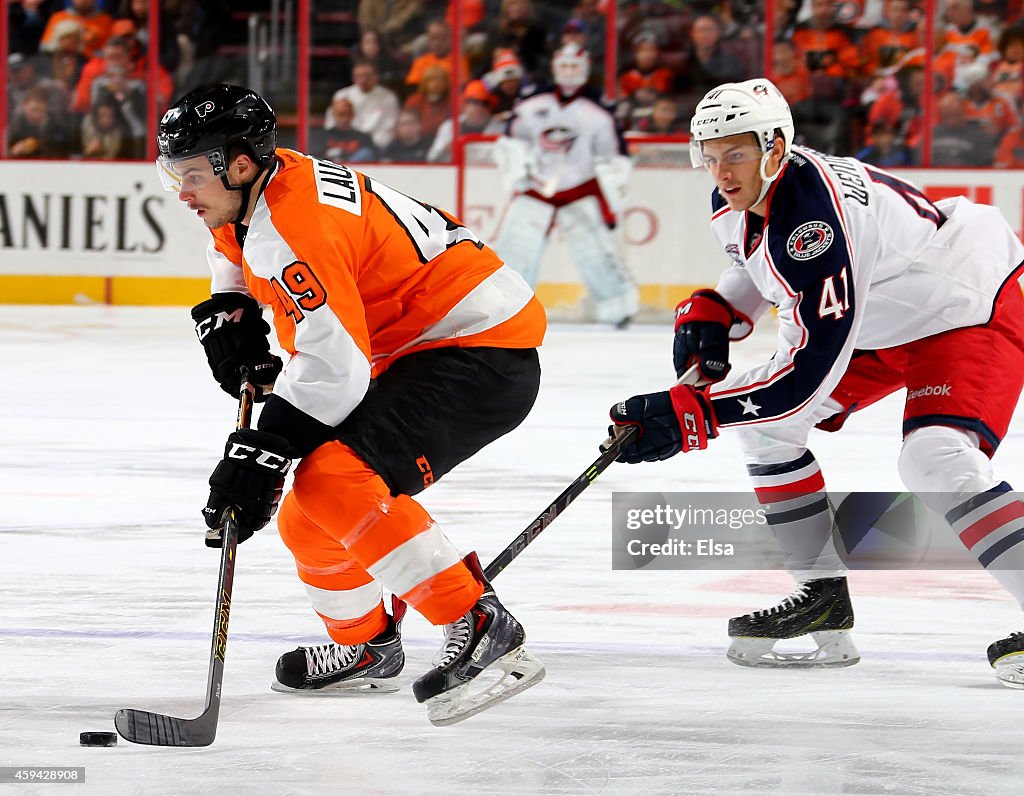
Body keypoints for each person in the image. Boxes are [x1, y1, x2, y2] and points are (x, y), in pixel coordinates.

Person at [607, 78, 1024, 688]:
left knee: (936, 460)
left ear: (776, 148)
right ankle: (821, 598)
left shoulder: (815, 224)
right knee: (768, 436)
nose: (722, 171)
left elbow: (801, 378)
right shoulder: (745, 193)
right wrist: (721, 305)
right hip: (879, 313)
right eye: (711, 154)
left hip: (965, 302)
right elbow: (756, 259)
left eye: (737, 153)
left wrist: (693, 411)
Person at [156, 83, 548, 724]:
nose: (182, 190)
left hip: (480, 351)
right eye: (176, 172)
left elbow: (334, 372)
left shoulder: (294, 225)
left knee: (333, 481)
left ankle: (479, 624)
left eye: (193, 173)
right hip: (422, 344)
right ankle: (368, 647)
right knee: (309, 515)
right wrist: (233, 312)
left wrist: (261, 452)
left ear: (241, 163)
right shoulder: (258, 195)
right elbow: (233, 249)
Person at [491, 43, 639, 327]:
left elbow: (615, 157)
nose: (569, 73)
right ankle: (507, 307)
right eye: (564, 66)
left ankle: (618, 308)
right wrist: (517, 173)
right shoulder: (532, 104)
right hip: (537, 190)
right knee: (515, 248)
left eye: (575, 67)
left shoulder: (599, 112)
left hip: (579, 190)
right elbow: (510, 142)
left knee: (595, 252)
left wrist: (612, 189)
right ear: (555, 69)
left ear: (584, 70)